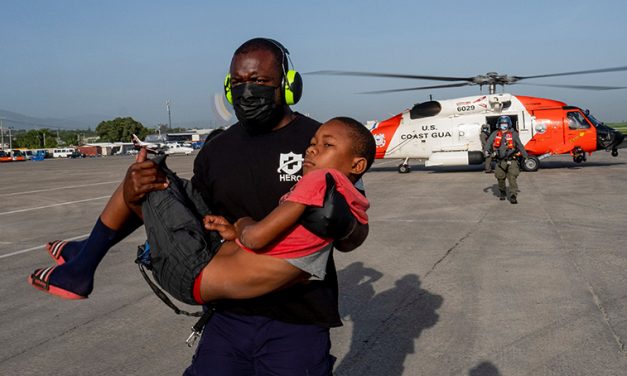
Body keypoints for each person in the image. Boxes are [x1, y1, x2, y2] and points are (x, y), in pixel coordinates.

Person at [35, 38, 368, 375]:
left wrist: (342, 226)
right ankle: (88, 252)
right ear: (228, 87)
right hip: (228, 315)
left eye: (260, 81)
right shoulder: (217, 150)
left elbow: (355, 231)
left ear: (288, 85)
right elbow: (189, 220)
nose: (248, 91)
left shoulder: (321, 143)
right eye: (238, 83)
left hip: (298, 321)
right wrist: (139, 193)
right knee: (146, 176)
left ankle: (83, 257)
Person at [30, 117, 375, 306]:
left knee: (150, 174)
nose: (312, 151)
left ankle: (82, 265)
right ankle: (84, 252)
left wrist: (242, 223)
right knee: (159, 178)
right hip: (211, 265)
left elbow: (255, 237)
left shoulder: (317, 182)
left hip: (193, 272)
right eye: (313, 144)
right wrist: (231, 230)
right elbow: (316, 240)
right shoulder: (349, 196)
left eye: (325, 146)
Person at [483, 115, 528, 204]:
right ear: (499, 125)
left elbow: (520, 145)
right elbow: (488, 144)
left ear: (508, 124)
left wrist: (525, 156)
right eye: (502, 124)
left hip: (512, 160)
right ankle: (502, 191)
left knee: (512, 177)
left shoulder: (514, 134)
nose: (503, 125)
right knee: (500, 177)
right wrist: (486, 151)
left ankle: (513, 195)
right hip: (499, 161)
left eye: (505, 124)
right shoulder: (495, 134)